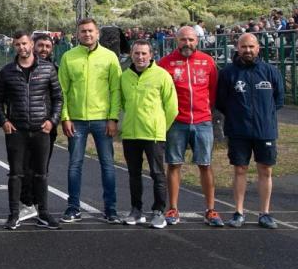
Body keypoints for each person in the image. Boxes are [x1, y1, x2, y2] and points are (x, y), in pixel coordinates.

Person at [0, 31, 62, 230]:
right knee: (16, 174)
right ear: (14, 47)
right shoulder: (7, 71)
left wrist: (52, 121)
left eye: (24, 43)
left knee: (41, 174)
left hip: (41, 130)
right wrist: (3, 121)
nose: (21, 48)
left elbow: (58, 98)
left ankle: (43, 213)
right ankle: (14, 214)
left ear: (31, 44)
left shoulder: (48, 69)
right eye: (17, 45)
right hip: (17, 131)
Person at [217, 33, 284, 229]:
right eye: (244, 46)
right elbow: (221, 102)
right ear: (237, 48)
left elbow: (278, 100)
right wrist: (238, 116)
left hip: (265, 131)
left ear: (258, 48)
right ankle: (238, 212)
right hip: (238, 131)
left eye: (251, 47)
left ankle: (265, 213)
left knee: (266, 170)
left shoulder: (270, 71)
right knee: (240, 169)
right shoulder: (228, 73)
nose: (248, 50)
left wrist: (264, 116)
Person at [157, 26, 222, 227]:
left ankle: (210, 210)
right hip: (177, 122)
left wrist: (205, 111)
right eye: (184, 39)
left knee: (205, 164)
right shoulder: (165, 63)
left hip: (202, 121)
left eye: (191, 40)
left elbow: (212, 91)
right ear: (176, 40)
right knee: (174, 164)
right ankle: (173, 208)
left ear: (198, 40)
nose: (188, 43)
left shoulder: (207, 61)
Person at [59, 18, 122, 224]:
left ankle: (110, 209)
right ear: (77, 34)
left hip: (102, 119)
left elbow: (116, 90)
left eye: (90, 31)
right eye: (83, 31)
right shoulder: (68, 57)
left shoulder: (110, 57)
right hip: (76, 120)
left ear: (98, 34)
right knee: (74, 165)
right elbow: (63, 91)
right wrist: (65, 117)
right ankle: (73, 207)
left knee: (107, 165)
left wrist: (113, 118)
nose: (87, 34)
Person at [113, 39, 177, 229]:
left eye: (144, 53)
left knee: (157, 173)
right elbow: (122, 103)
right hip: (131, 134)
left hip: (153, 135)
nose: (140, 57)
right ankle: (136, 210)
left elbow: (172, 107)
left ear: (151, 55)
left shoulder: (162, 76)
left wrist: (160, 127)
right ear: (131, 55)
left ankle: (158, 211)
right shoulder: (124, 77)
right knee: (133, 174)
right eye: (136, 53)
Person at [18, 33, 59, 222]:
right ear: (34, 46)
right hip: (25, 126)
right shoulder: (20, 67)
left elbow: (59, 98)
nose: (44, 49)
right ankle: (27, 203)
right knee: (24, 167)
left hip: (47, 125)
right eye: (41, 46)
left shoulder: (54, 69)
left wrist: (53, 120)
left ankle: (40, 205)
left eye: (48, 47)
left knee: (41, 168)